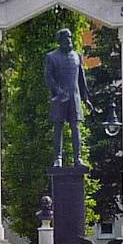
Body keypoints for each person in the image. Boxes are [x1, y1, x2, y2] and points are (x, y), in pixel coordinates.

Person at [44, 26, 86, 166]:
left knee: (76, 127)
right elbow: (48, 77)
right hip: (60, 97)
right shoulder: (51, 57)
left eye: (70, 37)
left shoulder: (77, 56)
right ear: (60, 40)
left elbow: (81, 79)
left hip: (74, 97)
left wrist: (85, 98)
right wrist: (58, 91)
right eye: (66, 37)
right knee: (58, 127)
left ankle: (78, 158)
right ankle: (58, 158)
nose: (69, 40)